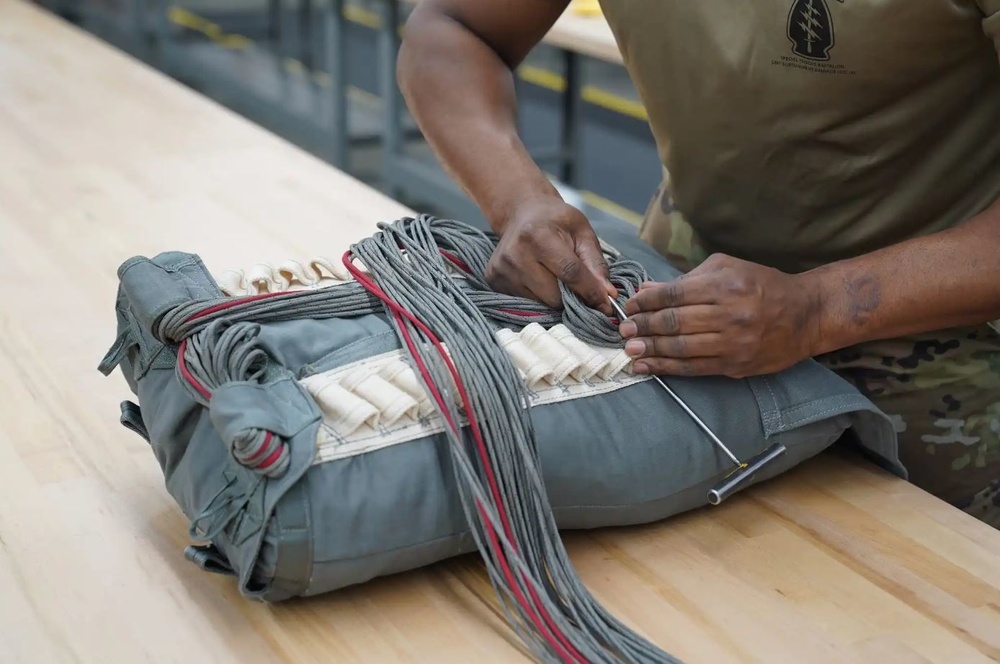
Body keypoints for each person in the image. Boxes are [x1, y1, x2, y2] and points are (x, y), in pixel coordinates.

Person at [395, 0, 1000, 529]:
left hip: (942, 358)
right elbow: (453, 27)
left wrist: (820, 306)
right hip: (679, 315)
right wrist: (518, 199)